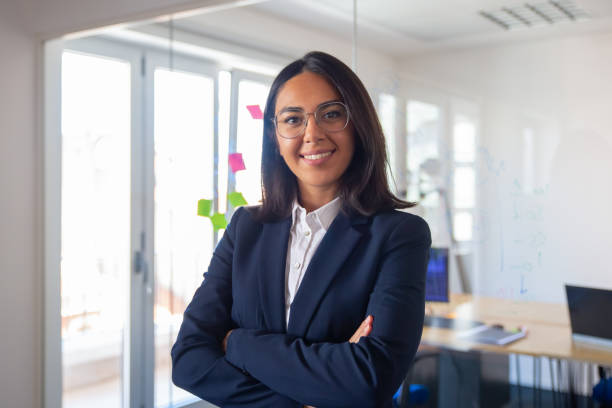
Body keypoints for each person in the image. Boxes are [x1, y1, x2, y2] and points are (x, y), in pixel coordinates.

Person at [171, 51, 431, 408]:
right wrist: (312, 393)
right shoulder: (245, 227)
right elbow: (188, 360)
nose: (313, 134)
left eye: (332, 114)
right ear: (275, 138)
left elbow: (371, 379)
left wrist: (237, 342)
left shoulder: (399, 235)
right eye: (293, 119)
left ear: (358, 125)